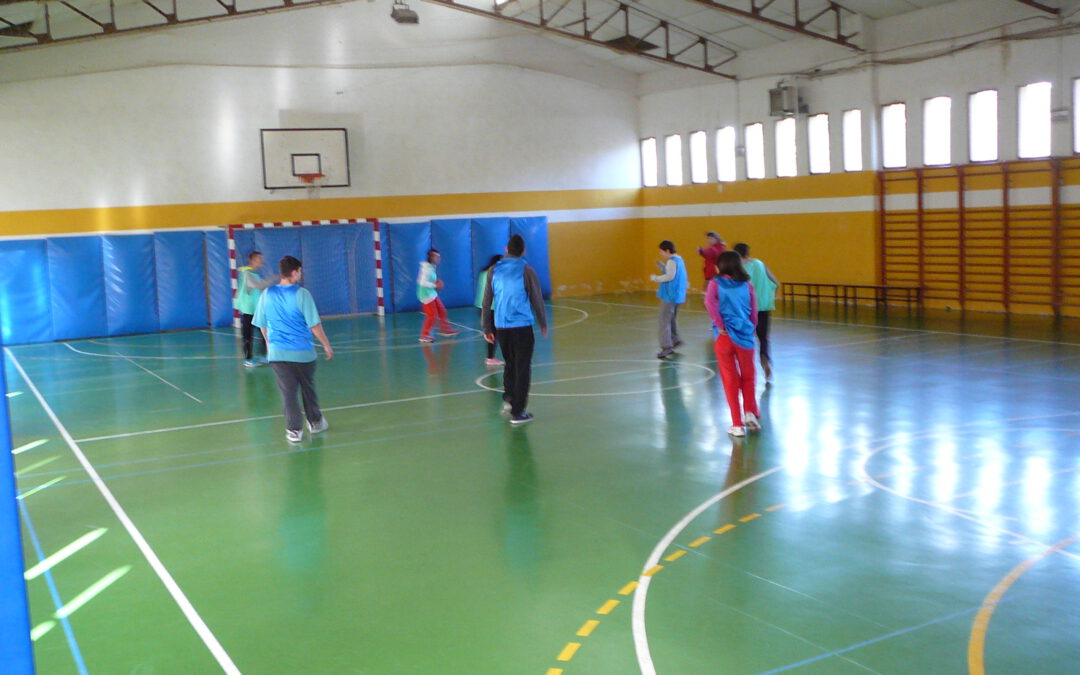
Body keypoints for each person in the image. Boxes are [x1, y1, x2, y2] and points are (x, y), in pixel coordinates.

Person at [253, 256, 334, 443]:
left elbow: (262, 324)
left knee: (288, 392)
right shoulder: (302, 294)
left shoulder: (267, 293)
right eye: (300, 271)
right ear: (294, 272)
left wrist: (269, 343)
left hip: (278, 354)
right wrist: (326, 345)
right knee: (307, 387)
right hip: (303, 353)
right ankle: (315, 422)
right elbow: (314, 325)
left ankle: (293, 430)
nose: (301, 275)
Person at [482, 234, 548, 425]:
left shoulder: (493, 270)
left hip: (501, 326)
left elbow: (487, 301)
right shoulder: (527, 270)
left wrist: (487, 326)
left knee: (510, 364)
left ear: (506, 249)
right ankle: (519, 412)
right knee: (523, 367)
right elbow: (537, 299)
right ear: (523, 251)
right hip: (522, 327)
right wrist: (543, 322)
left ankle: (509, 399)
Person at [704, 251, 760, 437]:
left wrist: (720, 325)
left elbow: (709, 303)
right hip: (745, 336)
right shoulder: (747, 285)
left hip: (724, 337)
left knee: (730, 378)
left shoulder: (715, 284)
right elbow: (754, 311)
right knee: (748, 375)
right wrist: (750, 329)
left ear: (720, 266)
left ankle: (737, 423)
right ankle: (750, 413)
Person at [734, 243, 780, 382]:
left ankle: (746, 367)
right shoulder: (760, 264)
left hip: (747, 309)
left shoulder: (739, 269)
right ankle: (765, 360)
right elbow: (776, 282)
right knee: (764, 338)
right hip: (764, 306)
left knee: (746, 338)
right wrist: (769, 297)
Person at [233, 250, 278, 367]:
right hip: (248, 310)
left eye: (261, 260)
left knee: (265, 332)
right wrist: (271, 279)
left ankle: (263, 355)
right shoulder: (246, 273)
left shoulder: (254, 274)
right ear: (252, 260)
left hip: (256, 309)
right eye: (259, 260)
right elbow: (257, 285)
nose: (261, 262)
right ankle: (248, 359)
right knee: (247, 335)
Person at [649, 240, 688, 359]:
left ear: (667, 251)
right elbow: (673, 272)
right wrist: (662, 266)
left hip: (670, 295)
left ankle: (666, 346)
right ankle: (675, 340)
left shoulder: (671, 261)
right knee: (671, 319)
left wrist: (655, 278)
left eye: (661, 252)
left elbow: (670, 276)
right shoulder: (679, 260)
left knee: (664, 321)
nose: (661, 254)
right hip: (677, 295)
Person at [417, 248, 459, 343]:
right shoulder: (426, 268)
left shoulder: (432, 266)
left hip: (431, 292)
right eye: (437, 257)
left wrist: (434, 283)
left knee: (441, 310)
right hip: (425, 294)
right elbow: (422, 282)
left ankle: (445, 330)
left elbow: (430, 280)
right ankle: (424, 335)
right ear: (432, 257)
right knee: (432, 315)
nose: (439, 258)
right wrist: (434, 285)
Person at [475, 254, 504, 366]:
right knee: (494, 333)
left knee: (492, 332)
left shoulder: (484, 272)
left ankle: (491, 356)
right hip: (490, 307)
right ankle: (490, 357)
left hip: (481, 306)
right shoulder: (494, 274)